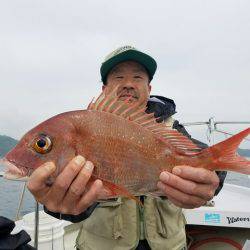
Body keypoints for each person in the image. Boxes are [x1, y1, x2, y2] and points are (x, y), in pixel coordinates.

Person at [27, 46, 226, 250]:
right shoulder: (85, 129)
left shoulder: (169, 129)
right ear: (104, 90)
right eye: (119, 77)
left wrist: (212, 177)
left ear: (149, 89)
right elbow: (76, 208)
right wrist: (61, 205)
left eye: (138, 77)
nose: (128, 84)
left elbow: (203, 156)